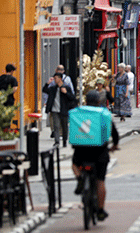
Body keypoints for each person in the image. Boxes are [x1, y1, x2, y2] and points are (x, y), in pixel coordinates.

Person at [72, 90, 119, 222]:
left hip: (81, 151)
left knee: (74, 164)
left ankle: (80, 178)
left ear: (86, 101)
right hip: (100, 152)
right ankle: (100, 210)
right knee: (100, 181)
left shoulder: (79, 112)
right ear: (99, 101)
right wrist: (114, 145)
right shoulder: (104, 114)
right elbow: (114, 132)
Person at [43, 73, 77, 147]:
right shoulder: (53, 88)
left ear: (60, 79)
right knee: (56, 126)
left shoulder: (66, 88)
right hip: (55, 110)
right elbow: (44, 90)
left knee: (64, 126)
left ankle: (64, 141)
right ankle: (57, 141)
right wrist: (47, 83)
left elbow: (72, 98)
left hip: (63, 110)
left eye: (56, 78)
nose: (55, 80)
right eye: (54, 78)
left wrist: (66, 93)